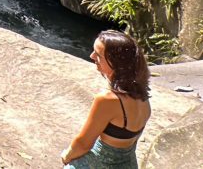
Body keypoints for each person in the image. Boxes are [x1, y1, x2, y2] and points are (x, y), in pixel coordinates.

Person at [61, 30, 152, 167]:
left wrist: (66, 157)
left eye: (98, 55)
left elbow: (83, 144)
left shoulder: (108, 100)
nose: (91, 56)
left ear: (115, 62)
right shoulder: (142, 94)